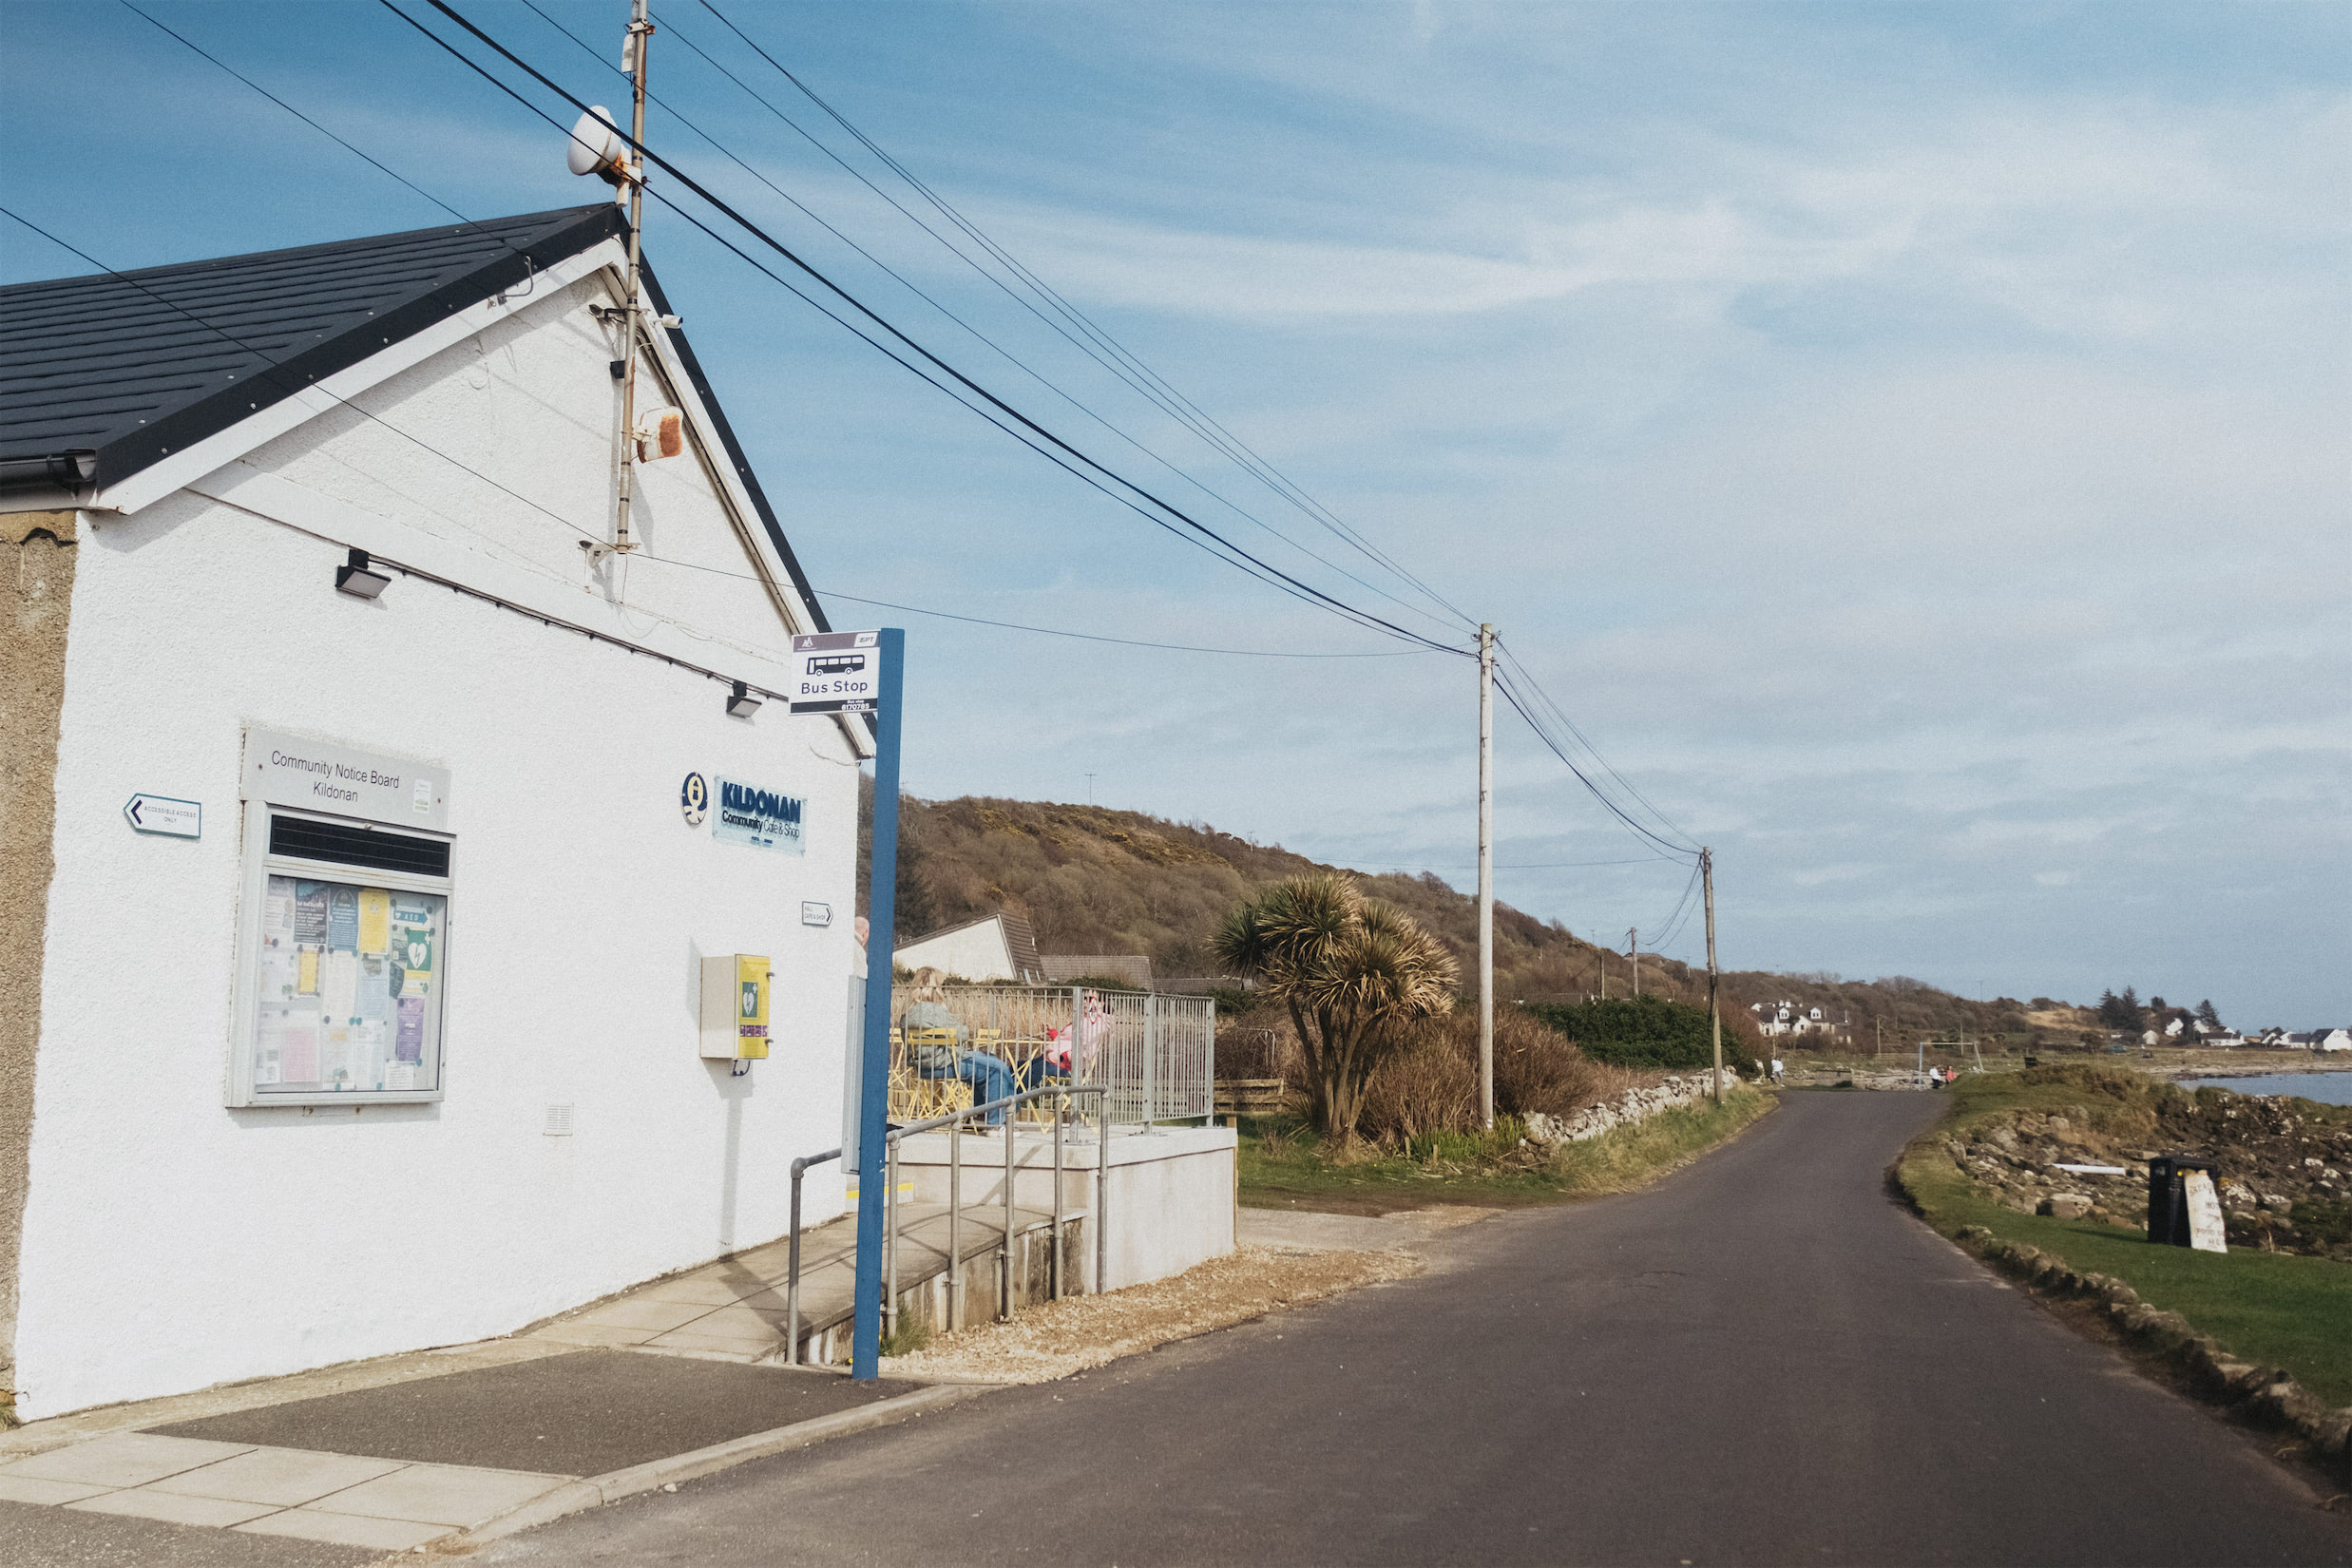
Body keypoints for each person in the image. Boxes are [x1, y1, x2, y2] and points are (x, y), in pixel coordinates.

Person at [901, 967, 1017, 1127]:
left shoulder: (908, 1013)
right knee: (997, 1068)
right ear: (935, 988)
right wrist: (945, 1010)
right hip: (944, 1063)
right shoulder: (934, 1010)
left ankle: (982, 1117)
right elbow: (962, 1034)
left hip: (921, 1066)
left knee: (990, 1061)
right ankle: (995, 1123)